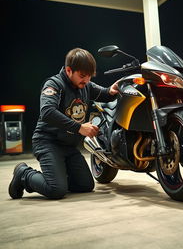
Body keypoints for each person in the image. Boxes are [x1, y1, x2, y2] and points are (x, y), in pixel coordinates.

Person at [8, 48, 119, 199]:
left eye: (89, 76)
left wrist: (113, 90)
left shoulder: (85, 85)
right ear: (68, 70)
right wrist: (79, 128)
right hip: (48, 142)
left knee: (85, 186)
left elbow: (105, 93)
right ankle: (24, 174)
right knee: (56, 190)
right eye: (82, 75)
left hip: (69, 146)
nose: (86, 80)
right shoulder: (54, 84)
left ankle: (58, 178)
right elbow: (47, 112)